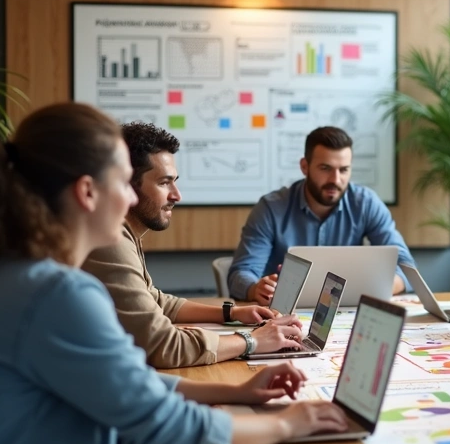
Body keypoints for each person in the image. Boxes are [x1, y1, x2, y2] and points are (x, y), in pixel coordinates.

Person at [0, 103, 347, 444]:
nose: (132, 198)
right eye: (123, 182)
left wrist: (232, 391)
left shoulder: (16, 274)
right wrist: (290, 423)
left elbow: (130, 383)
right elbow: (170, 428)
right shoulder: (56, 294)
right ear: (87, 192)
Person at [83, 122, 303, 368]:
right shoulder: (109, 241)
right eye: (164, 182)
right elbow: (164, 347)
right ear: (128, 185)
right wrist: (252, 340)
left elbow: (153, 300)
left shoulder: (123, 233)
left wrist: (230, 313)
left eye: (174, 182)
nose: (177, 195)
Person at [228, 126, 413, 305]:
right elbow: (240, 274)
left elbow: (407, 269)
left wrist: (376, 289)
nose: (335, 180)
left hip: (345, 314)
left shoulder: (366, 203)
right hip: (281, 315)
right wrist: (256, 289)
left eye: (344, 170)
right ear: (304, 166)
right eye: (325, 168)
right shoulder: (270, 208)